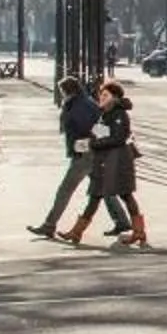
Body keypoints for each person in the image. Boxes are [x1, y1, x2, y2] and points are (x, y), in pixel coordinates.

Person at [65, 80, 146, 247]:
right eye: (101, 95)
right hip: (104, 162)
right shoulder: (105, 114)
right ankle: (76, 232)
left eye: (105, 95)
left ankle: (139, 231)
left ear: (114, 97)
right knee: (95, 196)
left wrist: (92, 144)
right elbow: (99, 134)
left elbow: (118, 138)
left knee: (125, 194)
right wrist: (87, 141)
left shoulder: (119, 114)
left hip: (118, 161)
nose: (101, 97)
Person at [30, 76, 102, 241]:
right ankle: (123, 221)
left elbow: (88, 131)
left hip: (85, 154)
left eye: (63, 91)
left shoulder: (79, 106)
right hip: (92, 152)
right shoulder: (84, 102)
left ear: (69, 91)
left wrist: (80, 149)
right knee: (106, 191)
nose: (62, 95)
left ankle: (49, 225)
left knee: (65, 190)